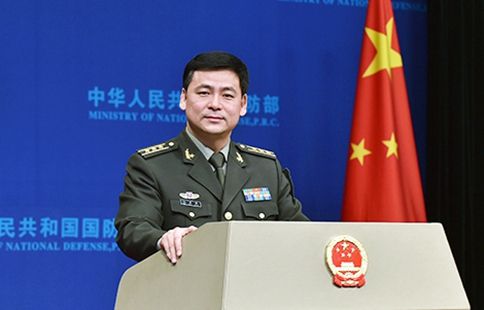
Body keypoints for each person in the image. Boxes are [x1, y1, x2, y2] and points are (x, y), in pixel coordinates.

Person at [115, 51, 309, 263]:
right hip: (186, 289)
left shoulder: (266, 168)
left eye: (227, 95)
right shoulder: (152, 165)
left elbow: (301, 234)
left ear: (243, 104)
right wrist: (162, 238)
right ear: (183, 98)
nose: (215, 104)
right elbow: (133, 228)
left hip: (254, 291)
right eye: (204, 93)